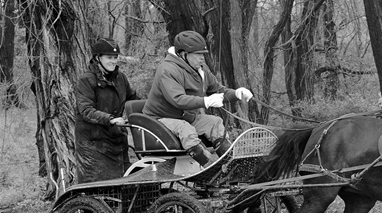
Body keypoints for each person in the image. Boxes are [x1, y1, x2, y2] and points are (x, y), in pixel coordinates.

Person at [142, 30, 253, 166]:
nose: (202, 58)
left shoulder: (201, 69)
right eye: (198, 54)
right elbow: (178, 99)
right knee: (186, 130)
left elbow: (218, 90)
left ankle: (232, 166)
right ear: (183, 54)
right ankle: (211, 169)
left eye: (203, 54)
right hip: (160, 119)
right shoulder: (168, 69)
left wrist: (236, 94)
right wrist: (205, 101)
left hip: (186, 118)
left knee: (215, 123)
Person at [74, 38, 138, 183]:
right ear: (97, 58)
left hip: (117, 141)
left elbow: (133, 99)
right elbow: (86, 110)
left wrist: (153, 108)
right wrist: (111, 119)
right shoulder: (86, 80)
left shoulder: (120, 78)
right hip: (94, 145)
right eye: (109, 57)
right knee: (101, 188)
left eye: (115, 57)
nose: (113, 61)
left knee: (125, 183)